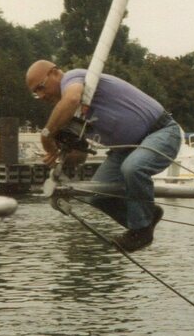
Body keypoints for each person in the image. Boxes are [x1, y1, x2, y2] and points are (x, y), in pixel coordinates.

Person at [26, 60, 181, 252]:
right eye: (35, 93)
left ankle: (141, 230)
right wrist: (60, 155)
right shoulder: (70, 112)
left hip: (160, 132)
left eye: (40, 87)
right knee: (97, 194)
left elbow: (72, 98)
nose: (40, 96)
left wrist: (47, 134)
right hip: (126, 150)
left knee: (133, 168)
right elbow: (80, 156)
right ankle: (146, 217)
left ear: (55, 73)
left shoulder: (74, 78)